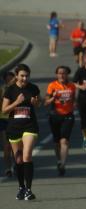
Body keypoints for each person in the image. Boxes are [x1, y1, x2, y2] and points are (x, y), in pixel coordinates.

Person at [1, 64, 41, 200]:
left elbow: (38, 104)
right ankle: (21, 187)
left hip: (30, 126)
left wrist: (36, 103)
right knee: (18, 160)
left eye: (27, 75)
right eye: (22, 75)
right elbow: (4, 110)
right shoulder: (10, 90)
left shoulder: (33, 88)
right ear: (17, 75)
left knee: (27, 156)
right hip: (14, 127)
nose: (25, 78)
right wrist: (17, 102)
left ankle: (29, 190)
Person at [44, 66, 76, 176]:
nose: (62, 75)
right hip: (55, 116)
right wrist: (53, 97)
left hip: (68, 116)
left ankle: (62, 164)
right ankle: (58, 160)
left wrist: (74, 105)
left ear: (67, 74)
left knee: (64, 141)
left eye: (64, 73)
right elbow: (46, 103)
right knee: (57, 142)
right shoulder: (52, 86)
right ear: (57, 75)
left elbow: (74, 100)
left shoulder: (72, 86)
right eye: (60, 73)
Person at [0, 71, 15, 177]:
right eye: (8, 78)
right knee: (6, 146)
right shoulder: (2, 89)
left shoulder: (18, 90)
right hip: (4, 119)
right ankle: (8, 168)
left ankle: (16, 165)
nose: (10, 80)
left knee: (16, 146)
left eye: (12, 78)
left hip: (16, 119)